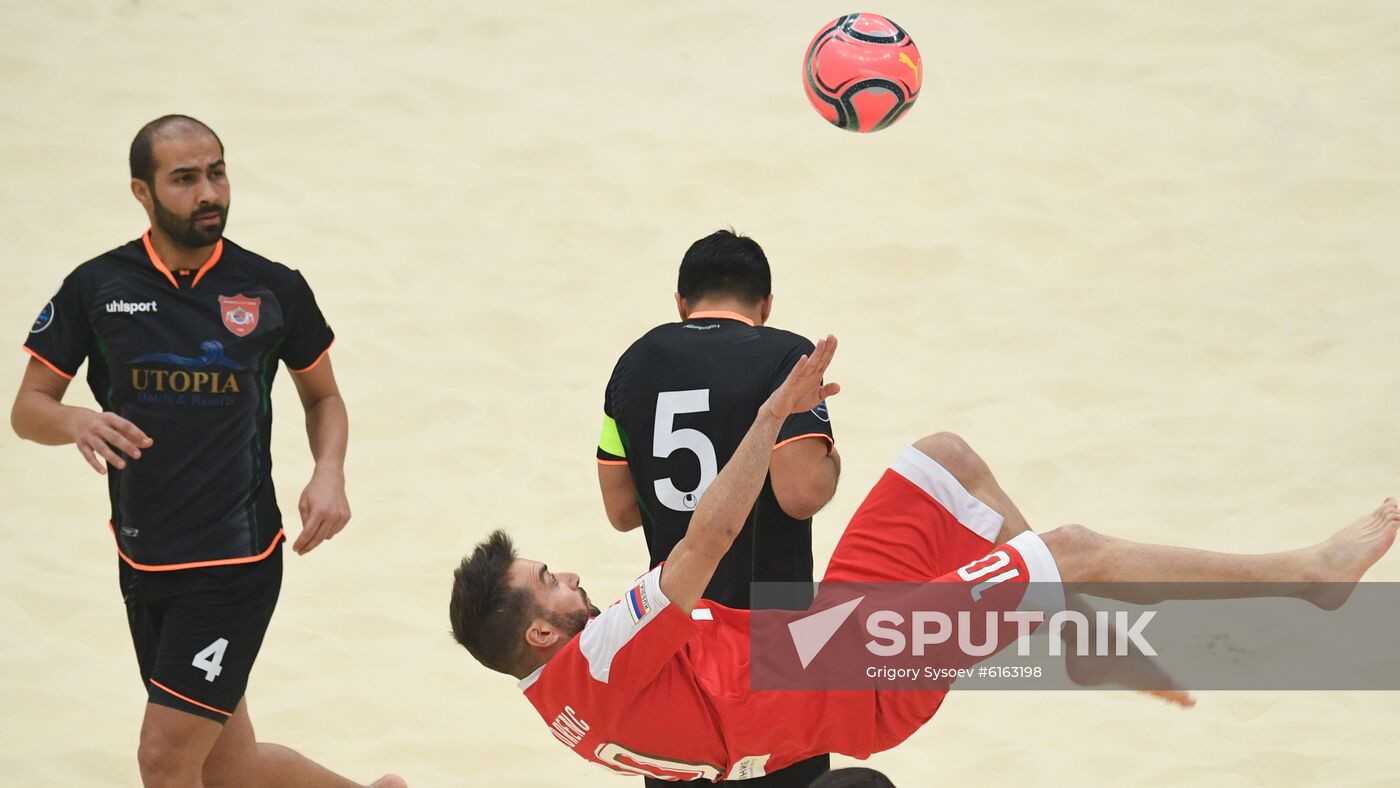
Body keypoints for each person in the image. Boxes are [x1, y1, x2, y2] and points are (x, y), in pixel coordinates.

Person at [449, 335, 1399, 780]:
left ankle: (1072, 635)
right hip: (855, 673)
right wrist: (774, 413)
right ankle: (1307, 579)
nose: (568, 572)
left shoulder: (562, 703)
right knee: (1067, 546)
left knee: (942, 462)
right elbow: (707, 538)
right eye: (549, 580)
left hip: (813, 651)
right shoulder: (599, 655)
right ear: (539, 627)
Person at [10, 115, 401, 788]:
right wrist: (74, 419)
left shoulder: (272, 288)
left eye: (216, 172)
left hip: (235, 564)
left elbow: (323, 399)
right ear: (143, 191)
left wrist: (329, 472)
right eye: (185, 179)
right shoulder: (98, 287)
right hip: (143, 558)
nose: (209, 192)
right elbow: (28, 409)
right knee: (229, 767)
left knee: (164, 760)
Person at [597, 229, 840, 785]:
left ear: (681, 302)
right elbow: (801, 493)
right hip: (773, 630)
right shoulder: (786, 355)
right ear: (766, 303)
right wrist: (833, 462)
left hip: (673, 633)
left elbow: (620, 509)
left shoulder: (633, 363)